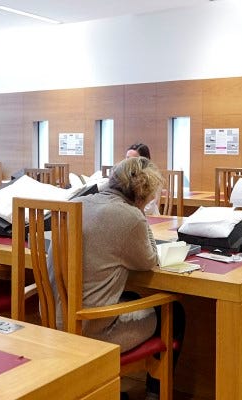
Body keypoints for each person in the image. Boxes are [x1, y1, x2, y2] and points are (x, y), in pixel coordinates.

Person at [71, 156, 185, 399]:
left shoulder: (78, 202)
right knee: (175, 312)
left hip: (56, 319)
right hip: (91, 327)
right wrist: (140, 214)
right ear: (143, 195)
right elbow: (150, 259)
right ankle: (155, 395)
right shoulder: (129, 217)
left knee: (131, 295)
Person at [125, 143, 160, 215]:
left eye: (132, 159)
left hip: (149, 219)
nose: (128, 162)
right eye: (127, 158)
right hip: (129, 216)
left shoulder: (151, 178)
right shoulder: (123, 177)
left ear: (144, 161)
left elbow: (148, 209)